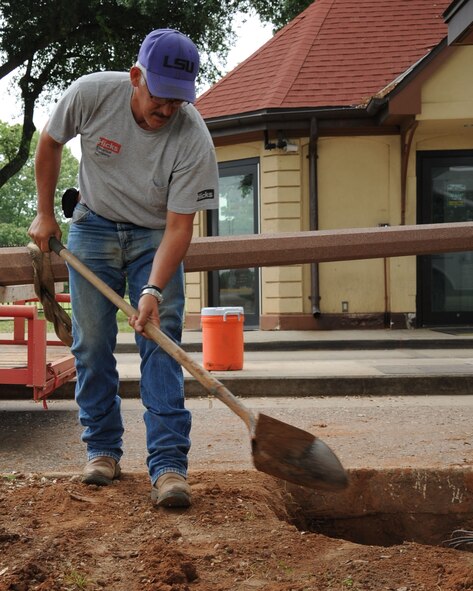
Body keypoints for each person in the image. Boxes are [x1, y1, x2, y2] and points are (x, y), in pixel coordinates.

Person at [28, 29, 219, 508]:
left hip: (154, 236)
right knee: (91, 344)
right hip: (91, 227)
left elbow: (179, 227)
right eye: (160, 96)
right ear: (136, 77)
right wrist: (46, 212)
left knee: (161, 340)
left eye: (179, 100)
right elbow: (49, 144)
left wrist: (153, 289)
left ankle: (169, 465)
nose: (169, 110)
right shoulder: (92, 94)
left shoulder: (193, 136)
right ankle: (102, 451)